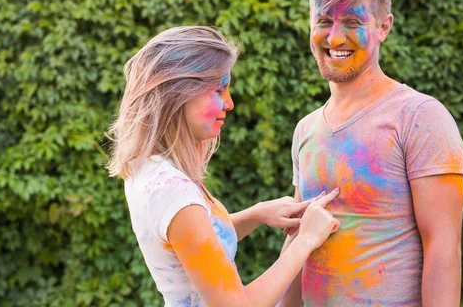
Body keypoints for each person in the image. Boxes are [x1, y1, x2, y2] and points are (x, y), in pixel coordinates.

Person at [107, 26, 341, 307]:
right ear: (178, 94)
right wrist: (306, 239)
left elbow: (195, 245)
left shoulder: (150, 168)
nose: (229, 103)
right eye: (219, 89)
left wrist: (257, 214)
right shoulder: (174, 193)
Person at [279, 0, 463, 307]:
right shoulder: (306, 129)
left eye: (352, 21)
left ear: (383, 26)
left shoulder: (420, 117)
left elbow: (443, 243)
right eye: (323, 21)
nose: (334, 37)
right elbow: (297, 240)